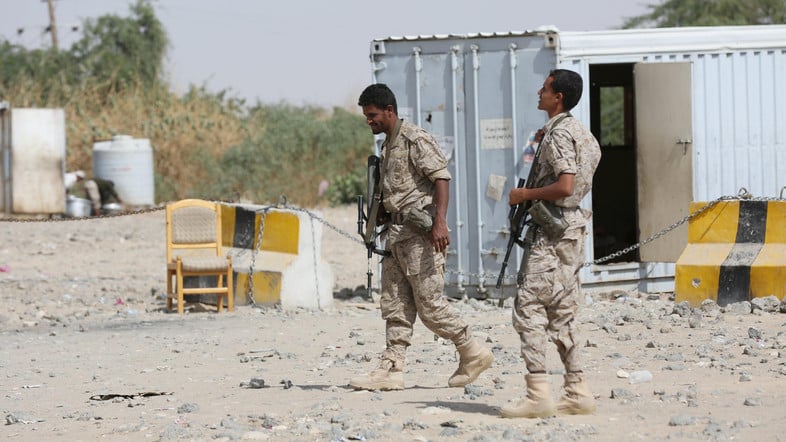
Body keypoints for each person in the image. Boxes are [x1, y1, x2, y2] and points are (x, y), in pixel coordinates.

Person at [350, 83, 494, 391]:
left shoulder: (415, 139)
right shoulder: (387, 144)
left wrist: (440, 222)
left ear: (389, 110)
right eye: (366, 116)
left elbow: (441, 177)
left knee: (430, 306)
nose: (369, 121)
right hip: (396, 235)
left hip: (420, 237)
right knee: (395, 304)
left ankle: (472, 351)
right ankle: (392, 368)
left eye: (373, 115)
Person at [501, 69, 601, 418]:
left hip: (552, 232)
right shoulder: (581, 133)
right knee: (564, 309)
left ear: (558, 97)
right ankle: (576, 390)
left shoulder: (559, 135)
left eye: (544, 89)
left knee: (528, 308)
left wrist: (525, 194)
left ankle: (538, 394)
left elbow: (565, 186)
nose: (538, 93)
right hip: (571, 230)